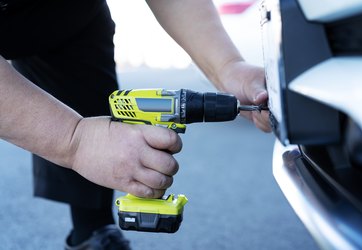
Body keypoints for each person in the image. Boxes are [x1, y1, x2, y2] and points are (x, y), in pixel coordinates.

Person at [0, 0, 271, 249]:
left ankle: (93, 233)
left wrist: (228, 67)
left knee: (89, 102)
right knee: (82, 137)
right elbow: (76, 138)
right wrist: (76, 140)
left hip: (68, 14)